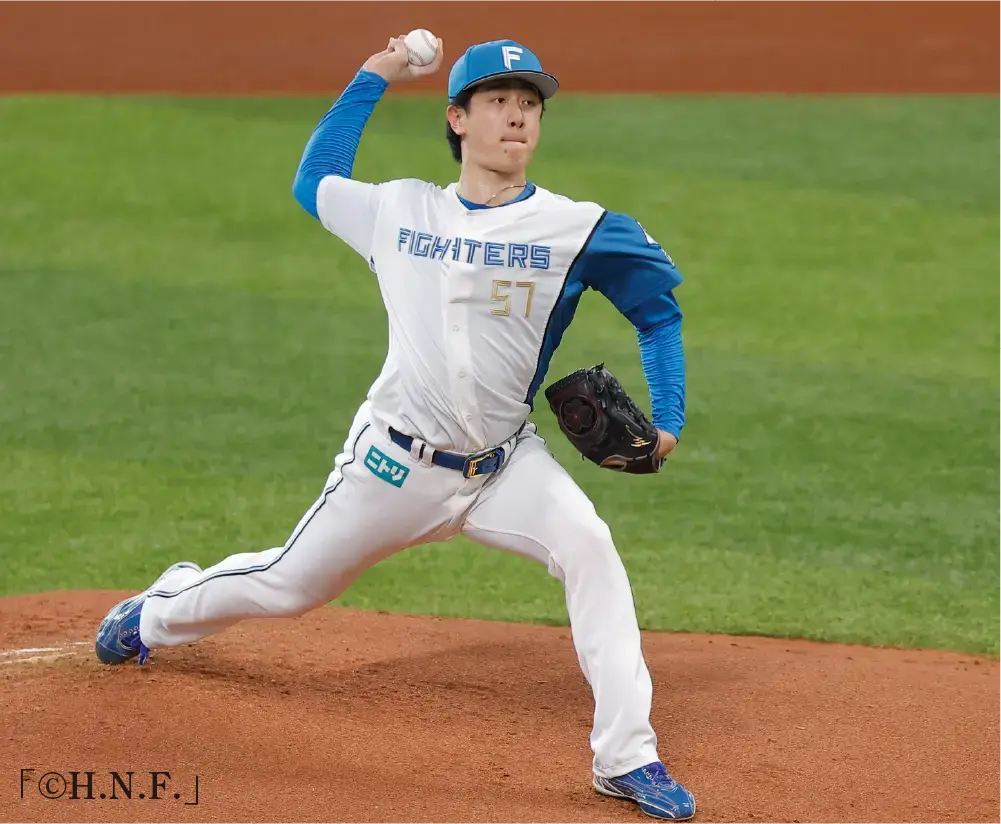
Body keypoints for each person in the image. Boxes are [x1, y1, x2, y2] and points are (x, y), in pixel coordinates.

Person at [94, 35, 695, 821]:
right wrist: (377, 72)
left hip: (504, 466)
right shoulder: (398, 209)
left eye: (528, 104)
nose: (517, 117)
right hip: (393, 465)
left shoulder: (577, 228)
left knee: (590, 549)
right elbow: (314, 178)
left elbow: (657, 314)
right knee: (288, 584)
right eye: (497, 102)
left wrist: (669, 419)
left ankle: (626, 757)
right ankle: (157, 611)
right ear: (457, 119)